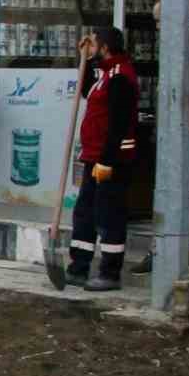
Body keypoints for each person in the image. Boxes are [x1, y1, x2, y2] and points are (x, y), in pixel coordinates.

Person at [69, 27, 139, 291]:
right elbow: (87, 91)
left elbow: (119, 124)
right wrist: (85, 60)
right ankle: (78, 267)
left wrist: (107, 161)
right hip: (94, 156)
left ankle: (110, 273)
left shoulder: (121, 76)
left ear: (106, 46)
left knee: (108, 215)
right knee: (85, 212)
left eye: (95, 44)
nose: (93, 46)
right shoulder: (105, 73)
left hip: (111, 161)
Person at [151, 3, 189, 264]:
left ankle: (171, 245)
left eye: (159, 22)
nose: (158, 28)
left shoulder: (188, 42)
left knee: (182, 188)